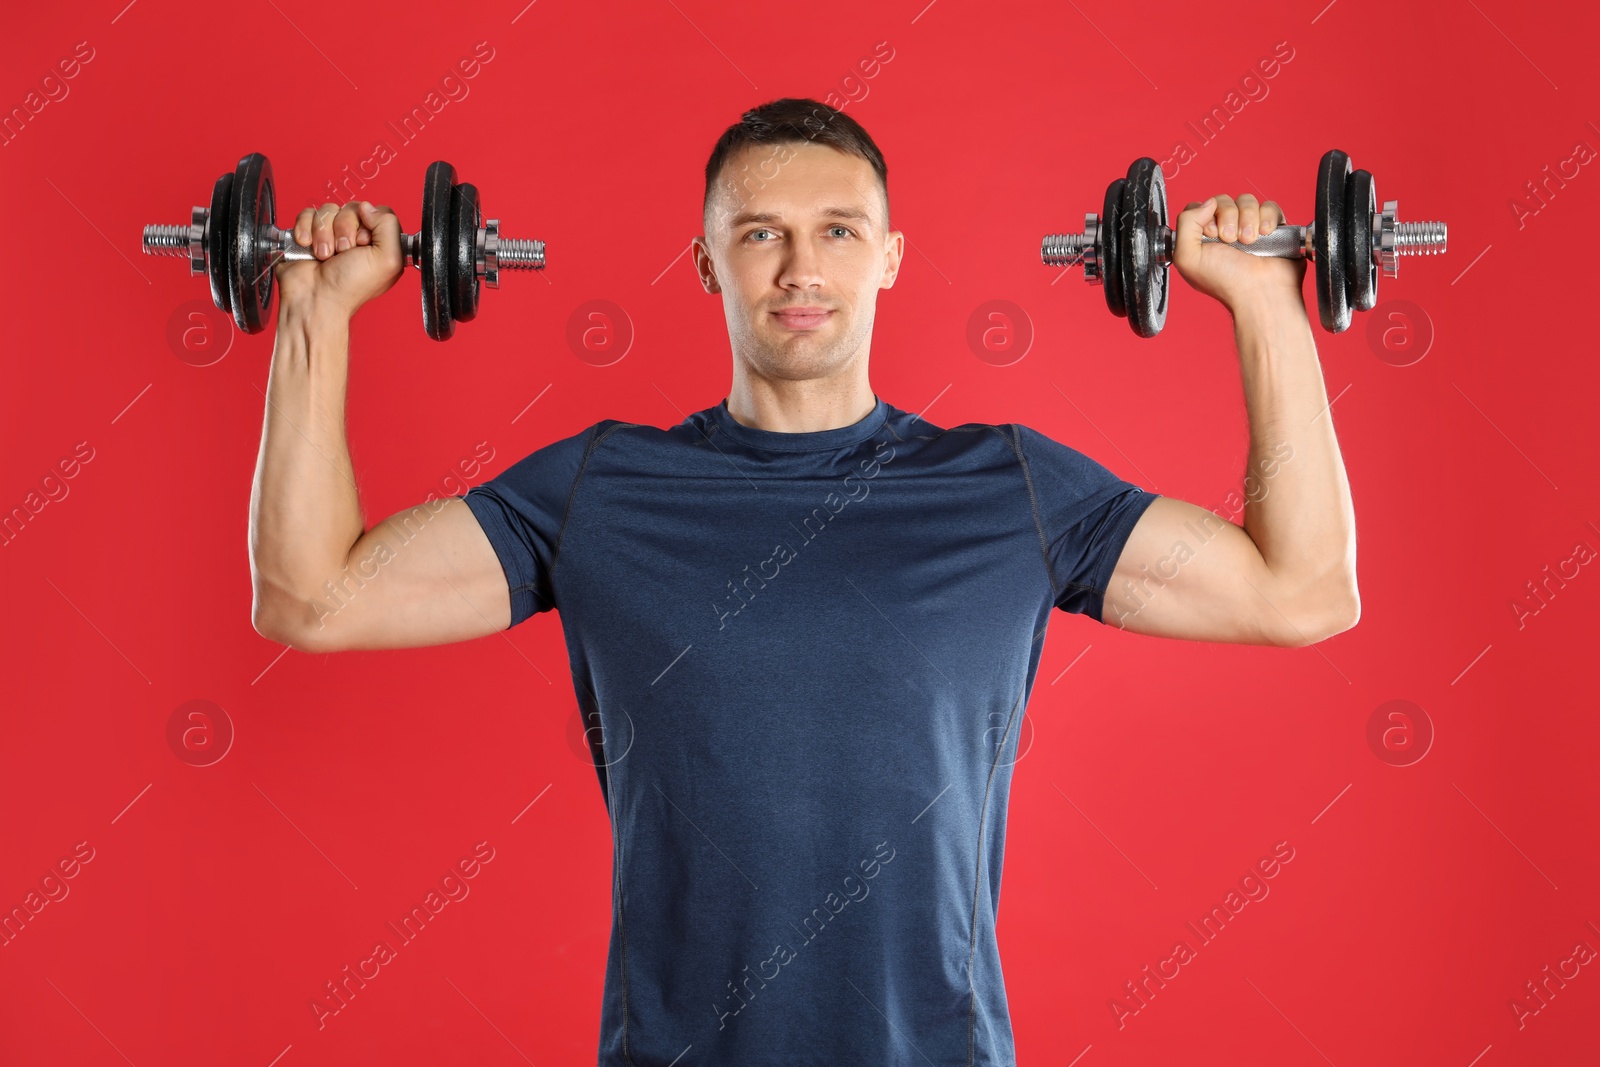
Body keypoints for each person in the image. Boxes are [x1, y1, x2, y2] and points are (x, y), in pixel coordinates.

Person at [251, 98, 1358, 1065]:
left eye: (838, 230)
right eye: (759, 234)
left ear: (889, 257)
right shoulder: (604, 490)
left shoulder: (1006, 488)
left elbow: (1301, 591)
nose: (800, 269)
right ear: (705, 263)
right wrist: (314, 309)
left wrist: (1264, 302)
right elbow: (311, 596)